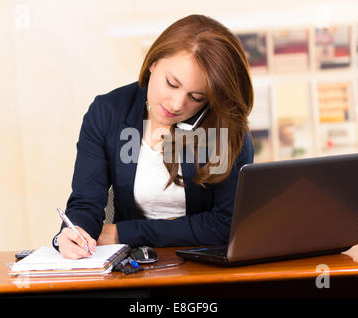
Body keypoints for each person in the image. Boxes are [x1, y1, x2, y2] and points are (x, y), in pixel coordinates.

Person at [53, 14, 255, 259]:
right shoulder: (108, 112)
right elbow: (86, 203)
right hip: (133, 267)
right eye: (172, 83)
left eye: (196, 97)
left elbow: (225, 224)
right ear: (153, 62)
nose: (177, 104)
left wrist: (122, 233)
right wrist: (76, 232)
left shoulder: (224, 126)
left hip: (203, 267)